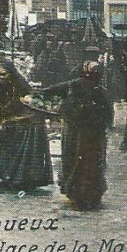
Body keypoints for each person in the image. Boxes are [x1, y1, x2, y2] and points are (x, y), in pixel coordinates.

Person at [42, 62, 114, 210]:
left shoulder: (73, 85)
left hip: (74, 131)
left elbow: (48, 91)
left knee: (72, 159)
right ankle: (90, 195)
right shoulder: (101, 90)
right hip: (94, 135)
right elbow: (108, 115)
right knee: (91, 164)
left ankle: (74, 192)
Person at [0, 60, 53, 191]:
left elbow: (23, 102)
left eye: (4, 74)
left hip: (25, 122)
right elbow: (4, 104)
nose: (2, 77)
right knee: (8, 149)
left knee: (22, 152)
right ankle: (6, 177)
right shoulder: (1, 87)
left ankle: (20, 179)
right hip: (11, 122)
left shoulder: (20, 85)